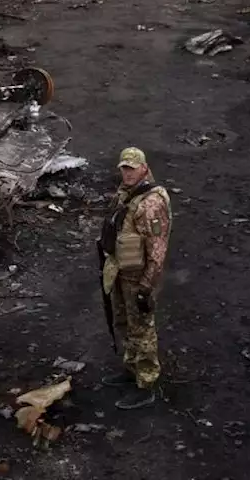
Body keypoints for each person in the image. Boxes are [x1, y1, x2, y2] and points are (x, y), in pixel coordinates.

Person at [97, 147, 172, 410]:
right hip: (120, 272)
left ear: (144, 168)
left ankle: (147, 382)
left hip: (138, 278)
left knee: (142, 328)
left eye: (132, 168)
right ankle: (130, 369)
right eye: (123, 168)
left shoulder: (151, 204)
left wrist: (146, 286)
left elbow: (157, 250)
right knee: (124, 323)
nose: (127, 173)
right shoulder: (126, 194)